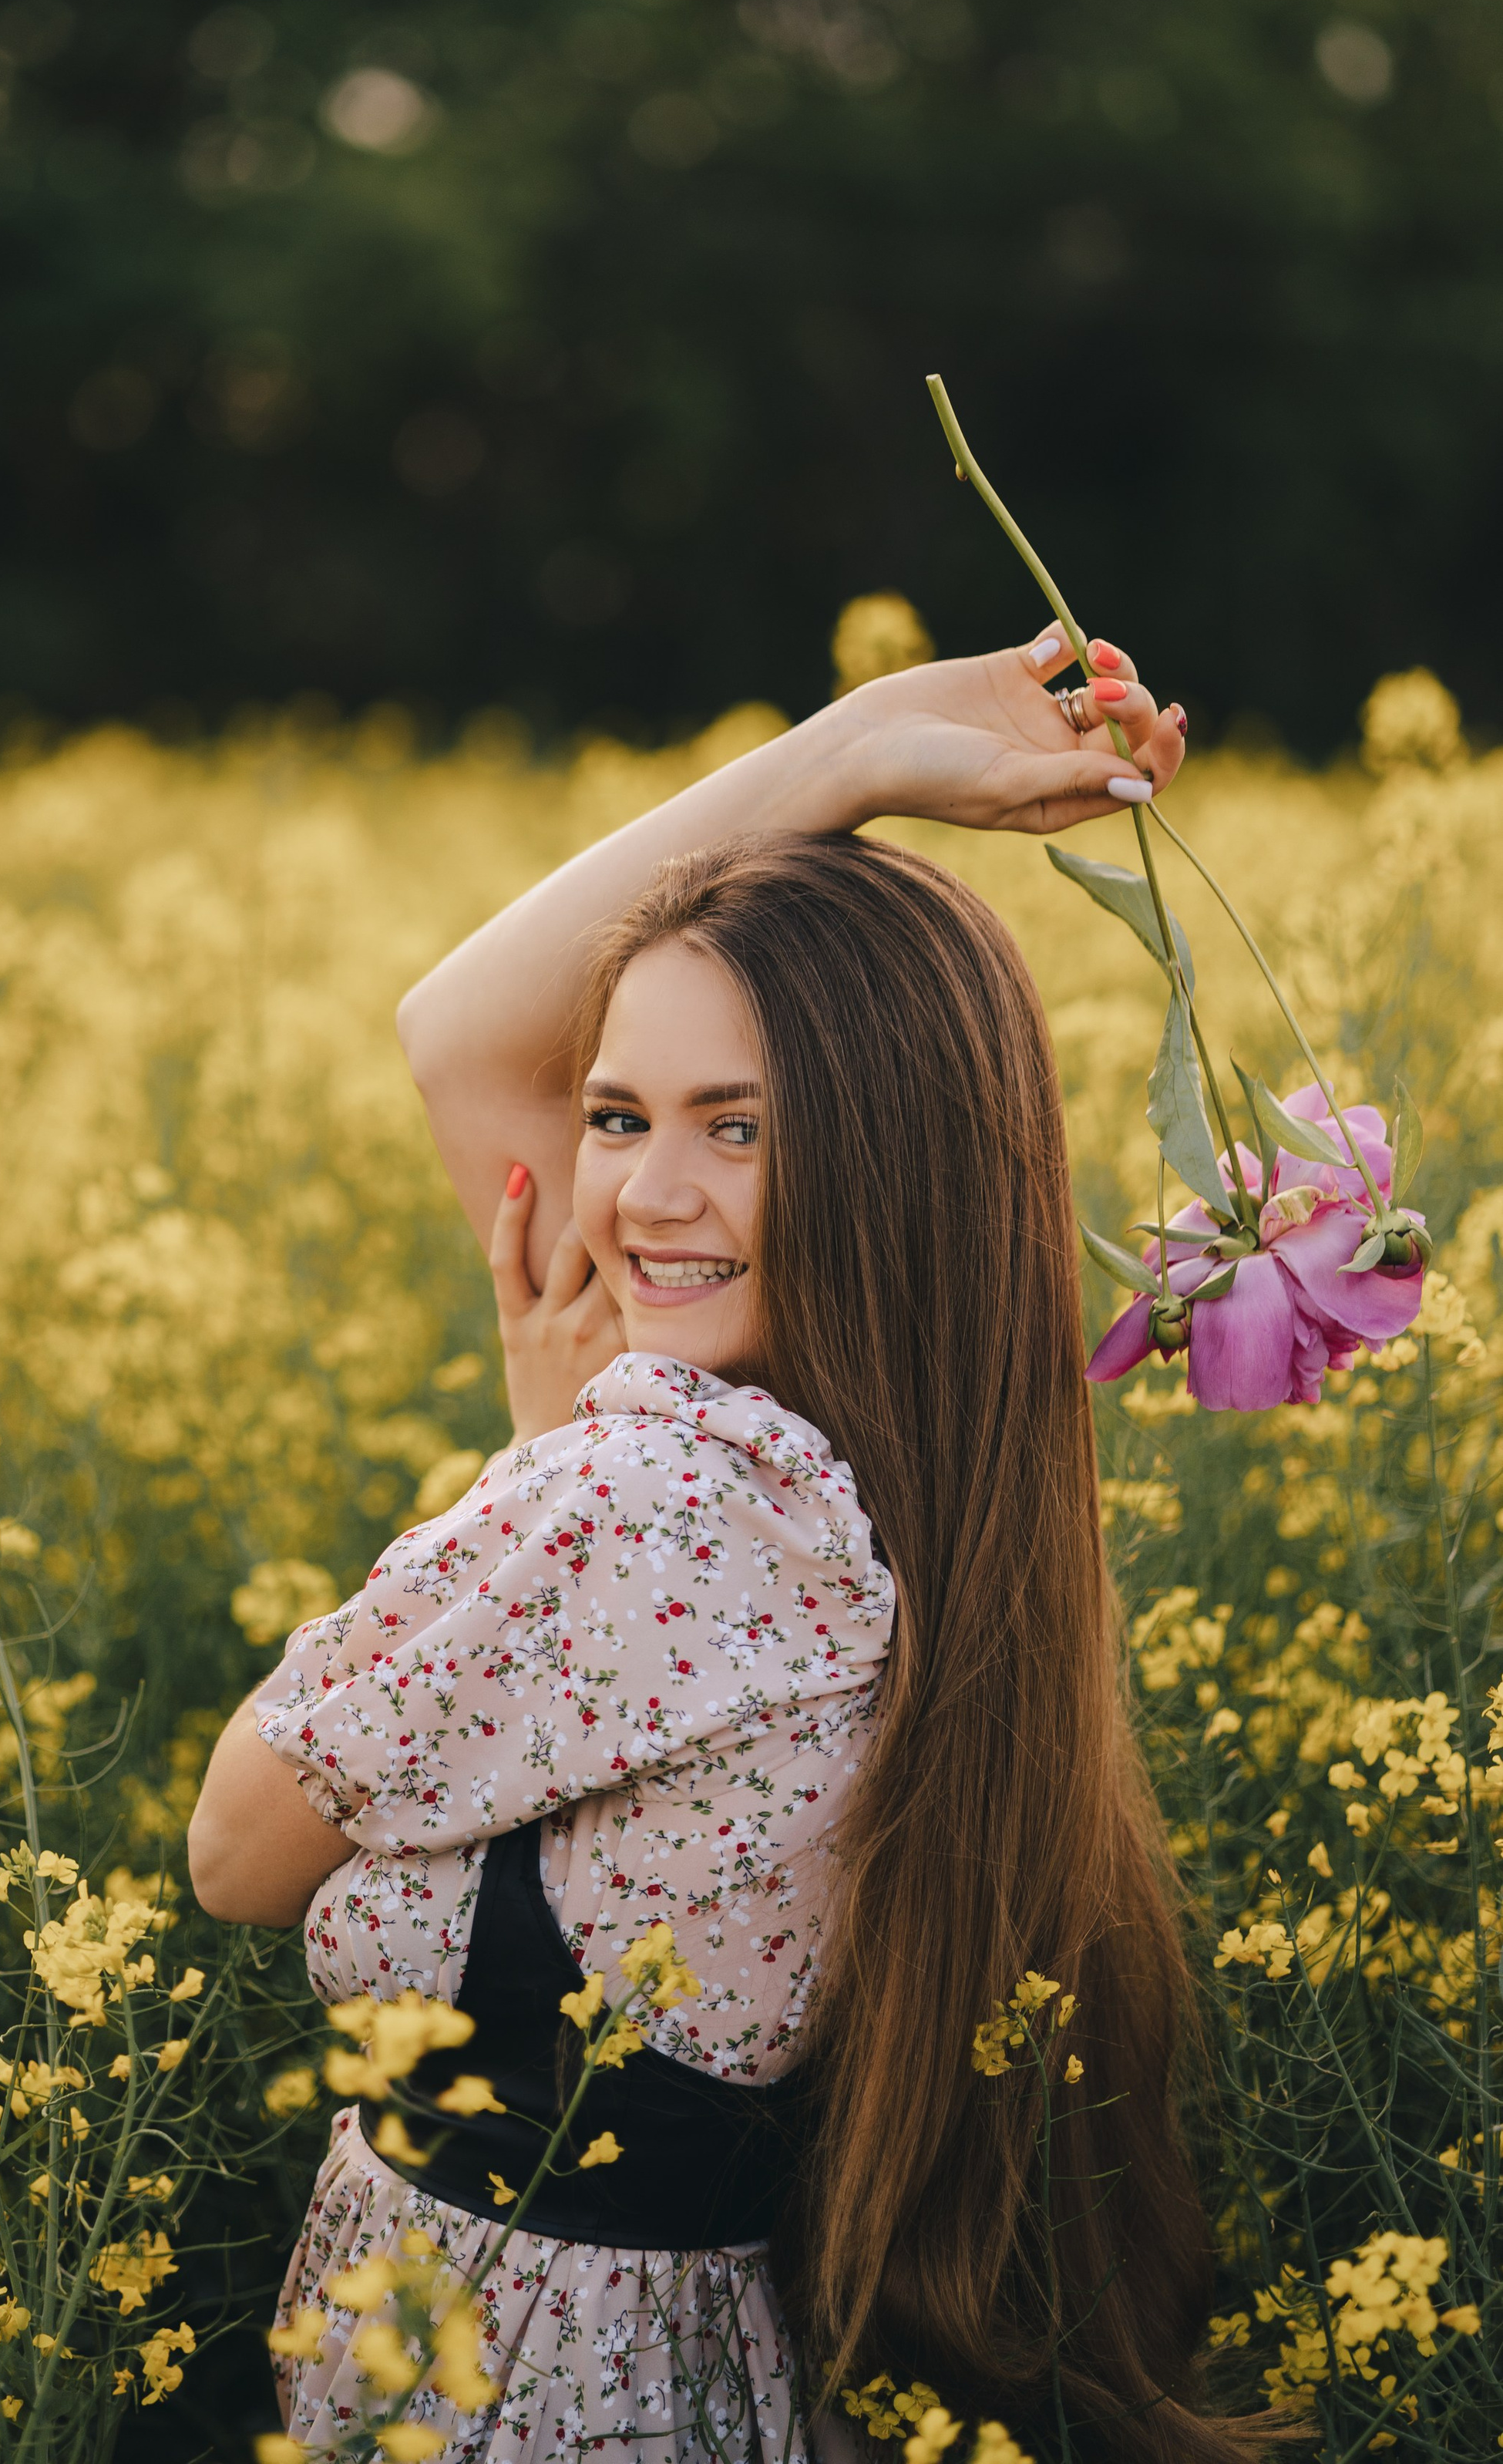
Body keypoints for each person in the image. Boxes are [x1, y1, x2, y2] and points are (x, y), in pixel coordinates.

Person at [189, 631, 1249, 2462]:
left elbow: (236, 1849)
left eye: (735, 1131)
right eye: (616, 1116)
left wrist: (521, 1487)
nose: (644, 1199)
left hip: (507, 2391)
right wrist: (858, 757)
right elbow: (461, 1044)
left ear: (882, 1165)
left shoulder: (637, 1501)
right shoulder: (903, 1454)